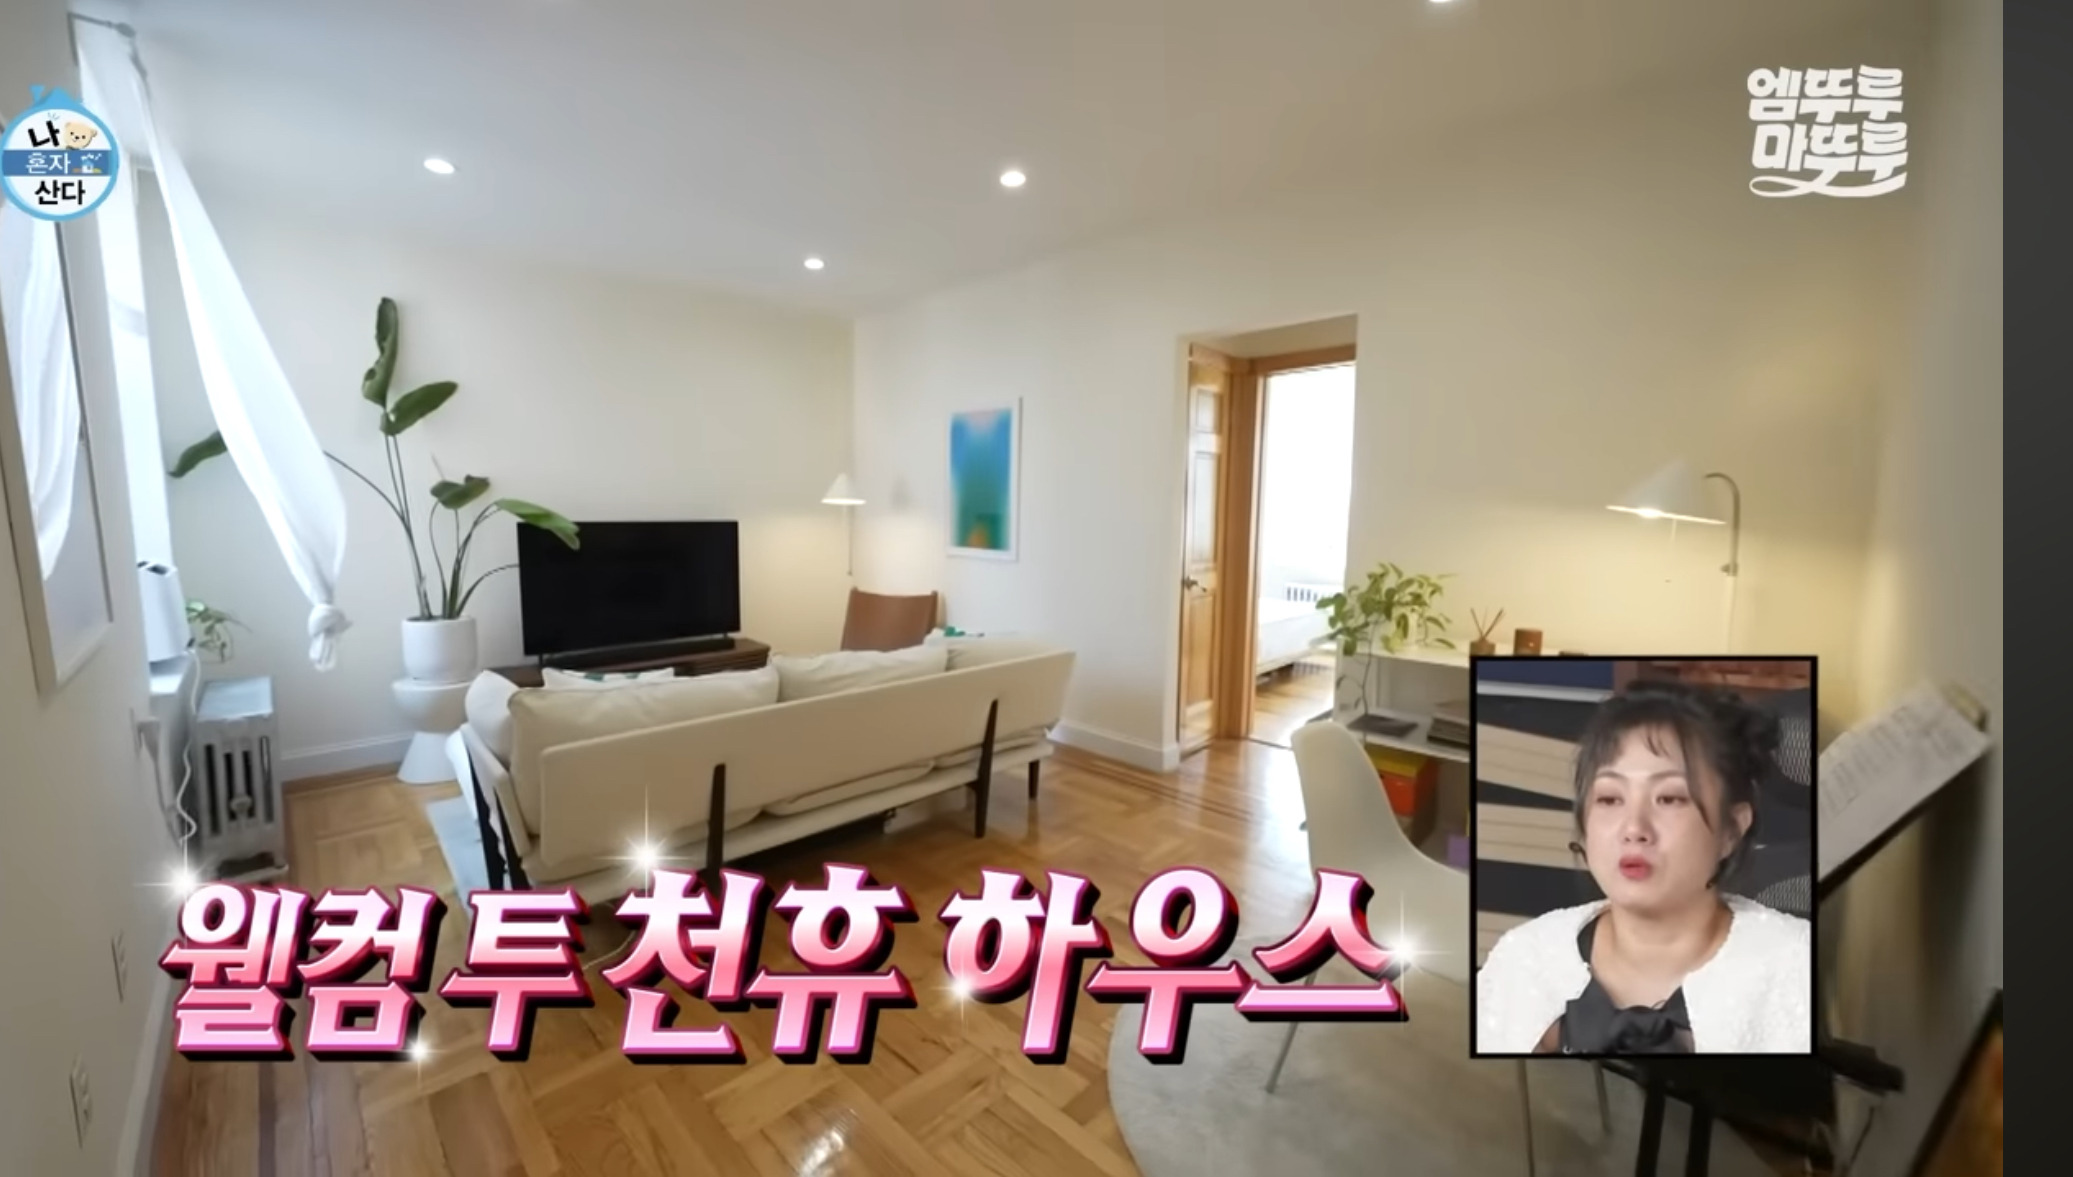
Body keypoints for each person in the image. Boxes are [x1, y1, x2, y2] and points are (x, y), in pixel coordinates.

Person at [1475, 680, 1811, 1054]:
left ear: (1731, 829)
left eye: (1669, 798)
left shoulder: (1795, 965)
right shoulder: (1524, 959)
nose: (1634, 828)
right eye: (1609, 799)